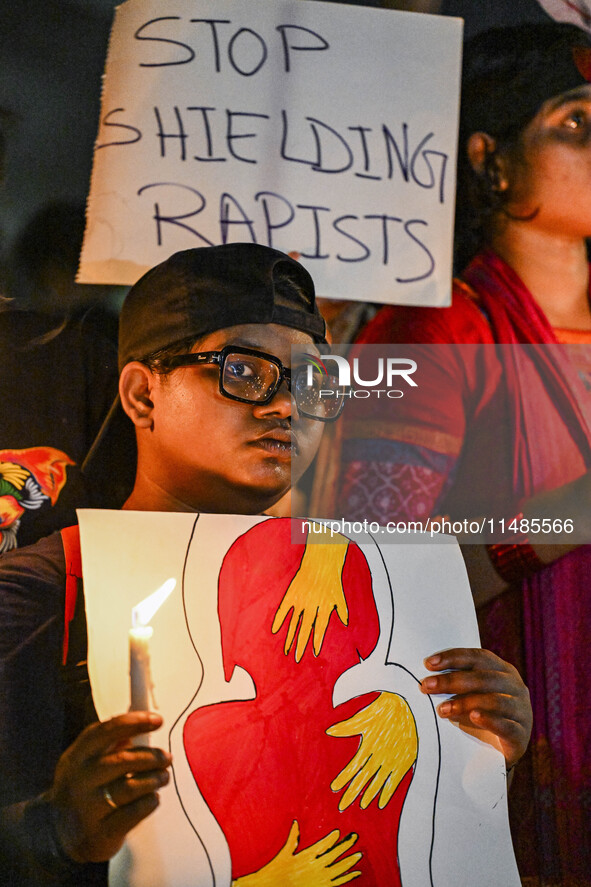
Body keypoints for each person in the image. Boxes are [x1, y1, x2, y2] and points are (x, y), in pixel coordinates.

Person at [0, 243, 532, 885]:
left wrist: (470, 749)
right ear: (143, 395)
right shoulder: (40, 590)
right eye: (244, 372)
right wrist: (56, 830)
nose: (286, 406)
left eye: (312, 381)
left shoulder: (356, 586)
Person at [329, 23, 591, 887]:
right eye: (576, 123)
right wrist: (561, 519)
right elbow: (371, 579)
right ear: (489, 157)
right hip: (511, 748)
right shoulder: (439, 331)